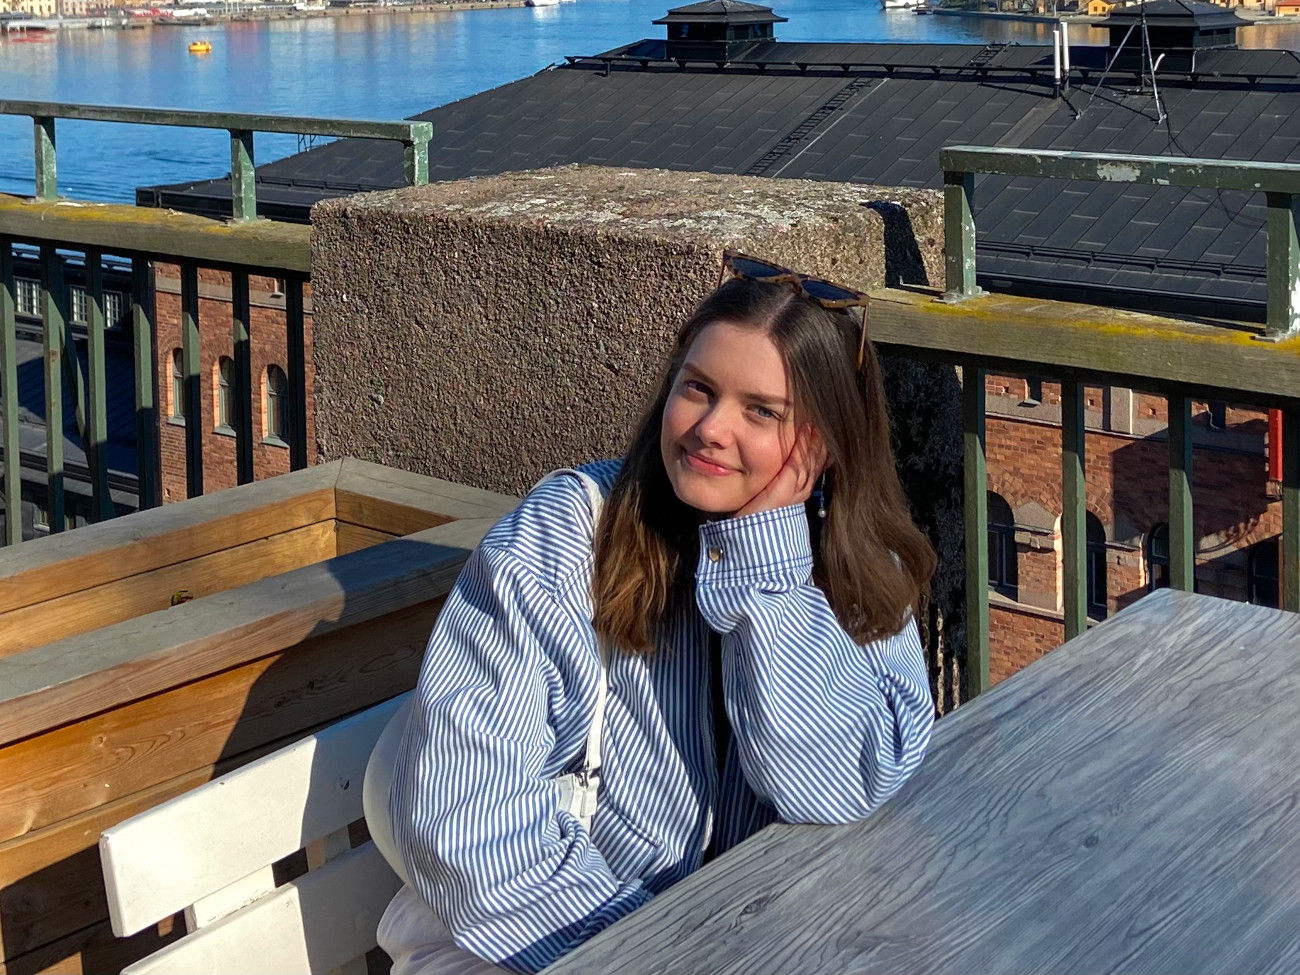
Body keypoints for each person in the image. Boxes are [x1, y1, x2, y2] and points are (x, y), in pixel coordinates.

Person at [378, 252, 938, 975]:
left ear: (822, 446)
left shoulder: (861, 564)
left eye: (761, 410)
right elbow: (468, 823)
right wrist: (661, 951)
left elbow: (834, 785)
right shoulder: (564, 537)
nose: (710, 427)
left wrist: (763, 563)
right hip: (526, 950)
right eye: (698, 389)